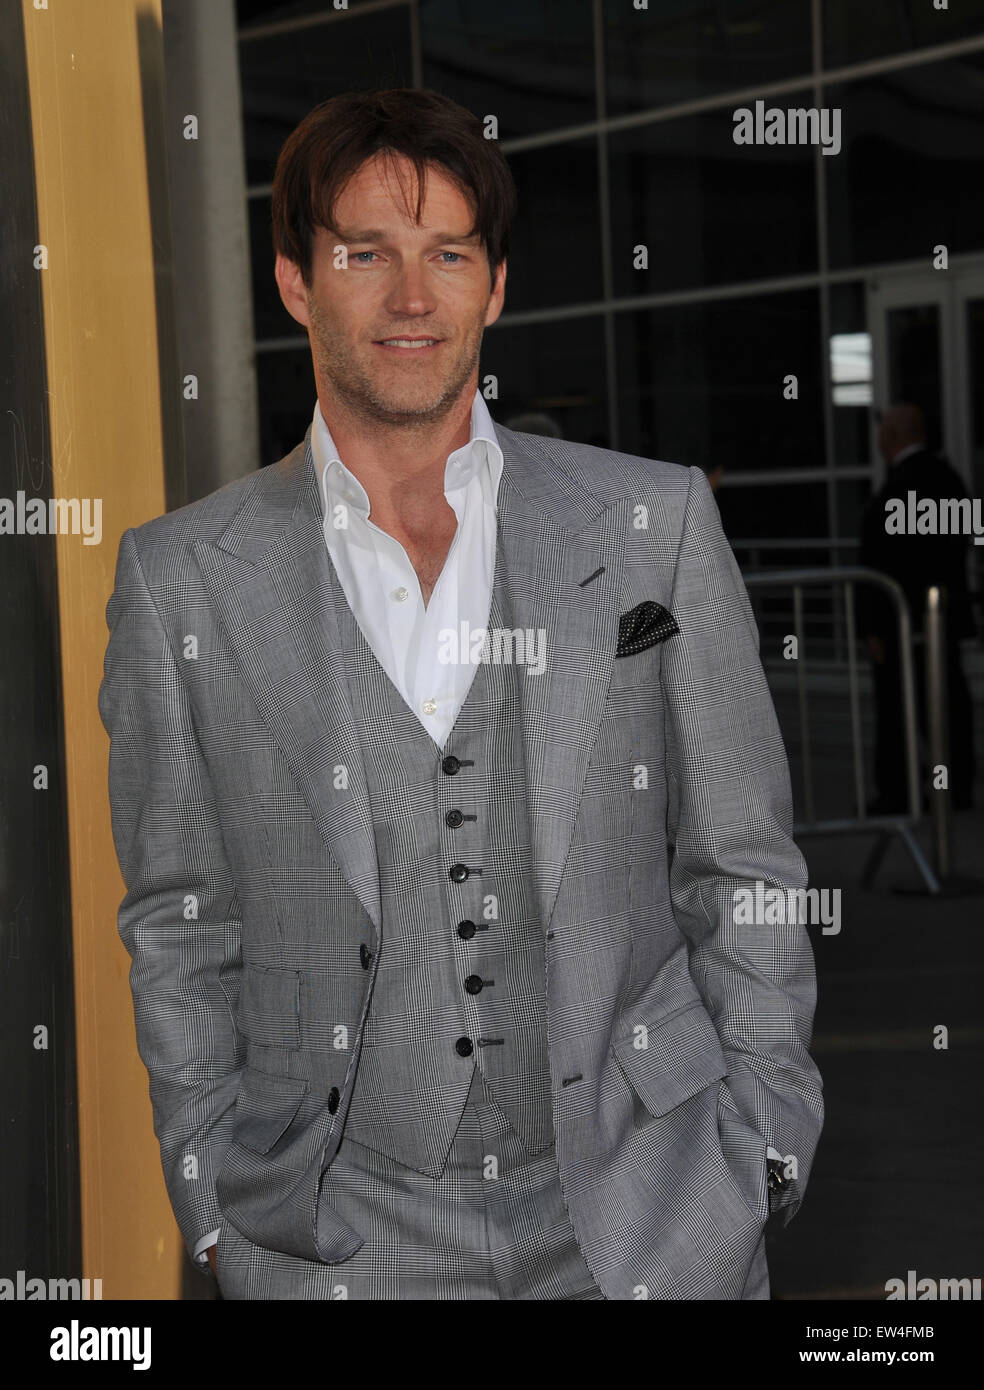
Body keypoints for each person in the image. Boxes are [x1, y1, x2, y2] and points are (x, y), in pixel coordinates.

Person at [98, 88, 823, 1300]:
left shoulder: (654, 523)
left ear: (494, 286)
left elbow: (743, 863)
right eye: (364, 254)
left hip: (650, 1208)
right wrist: (219, 1212)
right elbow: (180, 921)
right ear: (294, 282)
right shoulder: (182, 579)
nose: (411, 298)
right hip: (340, 1235)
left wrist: (765, 1146)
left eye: (449, 254)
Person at [858, 403, 977, 813]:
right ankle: (957, 786)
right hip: (942, 616)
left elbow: (879, 559)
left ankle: (901, 792)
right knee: (947, 705)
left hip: (901, 621)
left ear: (891, 437)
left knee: (899, 709)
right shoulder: (949, 480)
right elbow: (956, 543)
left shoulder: (897, 488)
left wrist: (874, 625)